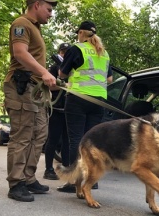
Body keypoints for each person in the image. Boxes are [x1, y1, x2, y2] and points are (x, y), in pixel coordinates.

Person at [3, 0, 57, 202]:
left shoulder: (36, 28)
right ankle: (16, 183)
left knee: (39, 134)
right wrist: (44, 72)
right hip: (21, 86)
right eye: (49, 10)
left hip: (36, 90)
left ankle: (28, 177)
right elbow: (20, 53)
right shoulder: (21, 23)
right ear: (37, 5)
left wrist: (47, 80)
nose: (51, 14)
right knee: (23, 136)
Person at [57, 20, 113, 192]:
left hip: (78, 99)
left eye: (77, 33)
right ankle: (92, 180)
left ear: (81, 33)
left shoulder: (76, 49)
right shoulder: (104, 53)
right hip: (98, 101)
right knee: (92, 142)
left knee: (76, 140)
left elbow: (62, 73)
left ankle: (75, 181)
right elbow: (109, 79)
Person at [43, 42, 71, 180]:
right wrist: (66, 85)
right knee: (53, 139)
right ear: (59, 53)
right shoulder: (54, 68)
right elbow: (50, 86)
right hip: (56, 108)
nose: (64, 54)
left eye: (67, 52)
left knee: (67, 141)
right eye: (63, 52)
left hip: (69, 109)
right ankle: (48, 169)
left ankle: (66, 168)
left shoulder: (73, 68)